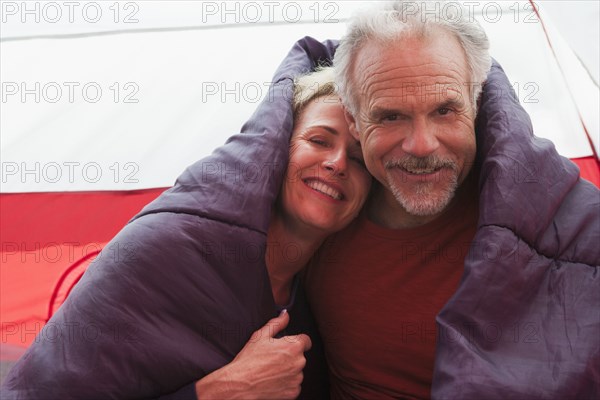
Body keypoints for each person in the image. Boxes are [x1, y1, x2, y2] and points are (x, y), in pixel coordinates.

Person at [0, 42, 371, 399]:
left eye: (358, 159)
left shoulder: (323, 298)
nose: (337, 163)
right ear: (276, 153)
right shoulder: (165, 251)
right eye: (319, 140)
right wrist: (217, 394)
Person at [301, 1, 600, 399]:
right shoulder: (313, 220)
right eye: (390, 116)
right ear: (354, 121)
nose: (422, 145)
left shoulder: (567, 222)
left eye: (445, 110)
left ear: (475, 104)